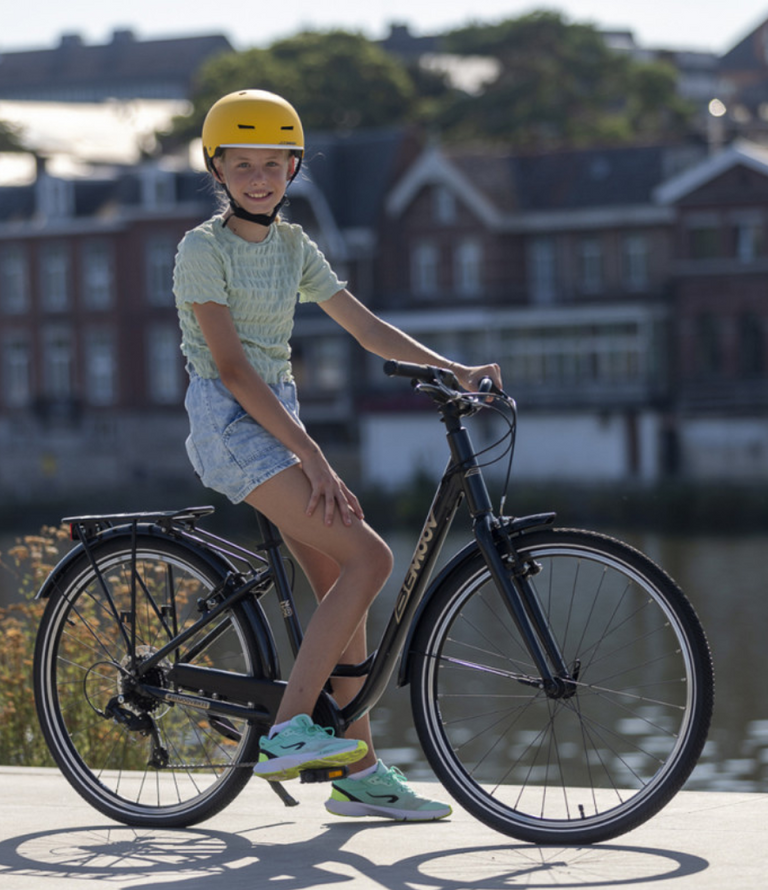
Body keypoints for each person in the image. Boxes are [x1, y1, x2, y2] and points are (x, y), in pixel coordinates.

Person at [173, 89, 502, 822]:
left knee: (340, 583)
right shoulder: (202, 249)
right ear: (217, 170)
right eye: (242, 165)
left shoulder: (293, 246)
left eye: (273, 164)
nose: (259, 178)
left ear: (293, 169)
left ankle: (358, 773)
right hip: (230, 426)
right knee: (372, 559)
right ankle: (290, 732)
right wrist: (315, 458)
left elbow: (366, 327)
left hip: (278, 419)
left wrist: (453, 370)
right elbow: (230, 370)